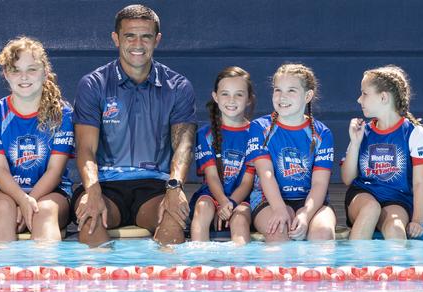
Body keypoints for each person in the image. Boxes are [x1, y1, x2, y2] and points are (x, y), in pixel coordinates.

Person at [73, 4, 196, 247]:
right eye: (130, 36)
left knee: (173, 220)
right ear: (116, 38)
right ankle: (100, 283)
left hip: (155, 186)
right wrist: (93, 191)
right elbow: (85, 148)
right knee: (91, 220)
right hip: (105, 184)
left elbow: (184, 146)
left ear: (157, 40)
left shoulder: (178, 86)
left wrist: (174, 187)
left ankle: (164, 284)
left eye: (146, 36)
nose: (138, 44)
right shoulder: (93, 84)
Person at [0, 36, 74, 243]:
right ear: (6, 74)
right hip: (4, 191)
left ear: (45, 72)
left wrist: (29, 202)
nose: (24, 77)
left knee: (45, 211)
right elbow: (0, 171)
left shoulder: (63, 115)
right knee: (3, 210)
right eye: (15, 70)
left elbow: (55, 171)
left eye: (32, 69)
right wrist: (21, 199)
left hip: (51, 191)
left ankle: (46, 273)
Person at [341, 65, 423, 240]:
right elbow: (347, 179)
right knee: (371, 209)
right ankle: (357, 266)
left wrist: (417, 220)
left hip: (397, 200)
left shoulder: (414, 133)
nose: (359, 100)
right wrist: (355, 143)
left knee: (395, 229)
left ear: (383, 97)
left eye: (365, 94)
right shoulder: (364, 131)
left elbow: (420, 183)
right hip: (363, 196)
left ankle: (398, 267)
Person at [246, 63, 335, 242]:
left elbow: (319, 183)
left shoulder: (322, 133)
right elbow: (266, 173)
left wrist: (306, 214)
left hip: (310, 201)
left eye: (291, 91)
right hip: (268, 200)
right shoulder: (260, 128)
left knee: (323, 233)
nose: (282, 97)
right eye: (277, 90)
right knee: (279, 232)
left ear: (308, 95)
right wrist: (279, 209)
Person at [190, 66, 255, 244]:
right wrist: (222, 201)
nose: (231, 100)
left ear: (249, 99)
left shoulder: (256, 133)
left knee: (240, 220)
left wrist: (231, 204)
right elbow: (211, 177)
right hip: (212, 194)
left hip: (242, 199)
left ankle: (240, 269)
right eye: (225, 94)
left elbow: (247, 181)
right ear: (215, 97)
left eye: (239, 94)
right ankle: (199, 263)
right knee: (202, 208)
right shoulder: (205, 134)